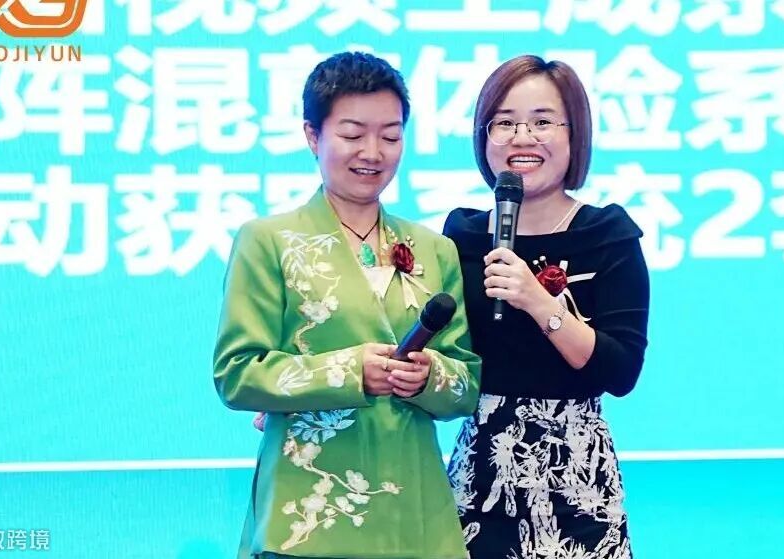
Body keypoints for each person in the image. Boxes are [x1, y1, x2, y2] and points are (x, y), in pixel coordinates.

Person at [214, 51, 480, 559]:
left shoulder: (434, 249)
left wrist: (429, 377)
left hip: (414, 515)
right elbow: (237, 372)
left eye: (391, 136)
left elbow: (466, 384)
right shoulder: (268, 241)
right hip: (308, 516)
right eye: (353, 134)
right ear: (313, 136)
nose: (373, 152)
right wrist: (350, 370)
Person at [443, 55, 650, 559]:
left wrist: (539, 302)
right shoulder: (461, 236)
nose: (523, 137)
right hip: (481, 473)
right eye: (505, 122)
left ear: (574, 135)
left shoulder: (606, 235)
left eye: (542, 122)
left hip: (575, 477)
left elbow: (621, 371)